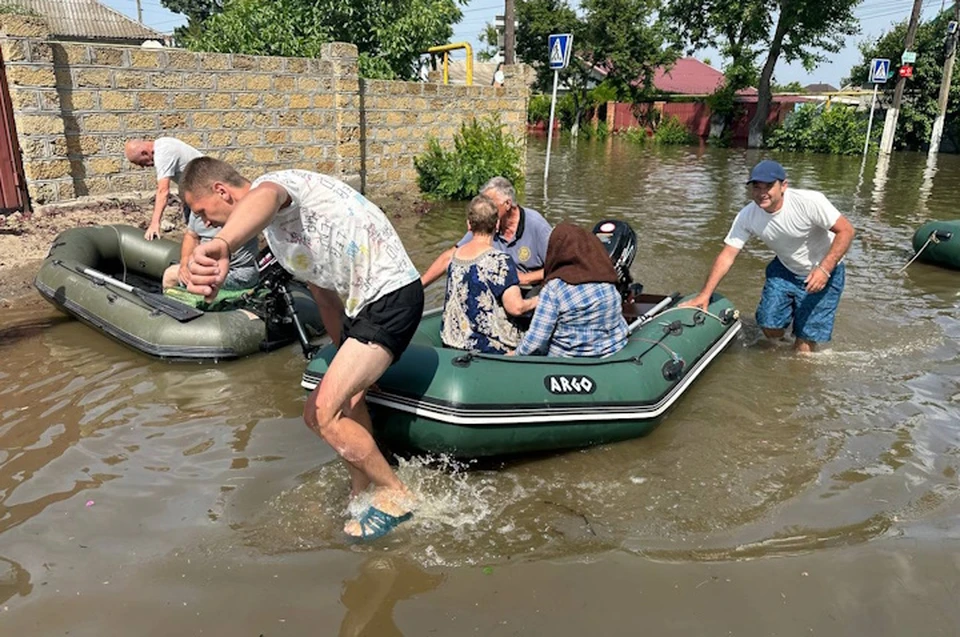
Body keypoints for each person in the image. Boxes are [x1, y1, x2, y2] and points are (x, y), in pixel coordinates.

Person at [180, 158, 423, 541]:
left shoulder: (276, 186)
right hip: (363, 308)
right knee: (346, 401)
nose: (203, 224)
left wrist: (224, 243)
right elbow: (325, 299)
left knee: (320, 414)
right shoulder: (278, 239)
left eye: (201, 212)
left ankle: (397, 492)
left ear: (222, 192)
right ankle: (363, 489)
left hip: (392, 295)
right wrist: (351, 359)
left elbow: (267, 196)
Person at [680, 160, 855, 353]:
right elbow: (727, 255)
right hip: (785, 269)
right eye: (757, 186)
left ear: (783, 186)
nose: (762, 192)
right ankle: (788, 328)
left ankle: (801, 338)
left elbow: (846, 231)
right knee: (769, 327)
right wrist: (705, 294)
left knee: (804, 348)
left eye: (769, 186)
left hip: (824, 270)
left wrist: (824, 269)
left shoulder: (809, 202)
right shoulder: (748, 215)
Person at [440, 195, 538, 354]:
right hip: (486, 347)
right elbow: (516, 308)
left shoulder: (455, 257)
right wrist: (541, 300)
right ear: (497, 224)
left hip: (453, 340)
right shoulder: (500, 261)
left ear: (469, 225)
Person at [514, 222, 628, 357]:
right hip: (610, 356)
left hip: (568, 363)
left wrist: (513, 355)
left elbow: (535, 342)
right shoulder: (608, 279)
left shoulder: (554, 289)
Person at [421, 176, 552, 288]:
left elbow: (560, 267)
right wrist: (420, 286)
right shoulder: (486, 222)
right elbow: (451, 256)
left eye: (491, 204)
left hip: (529, 288)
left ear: (507, 204)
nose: (486, 208)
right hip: (499, 287)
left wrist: (525, 278)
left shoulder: (537, 225)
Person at [160, 209, 259, 292]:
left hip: (236, 272)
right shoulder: (198, 207)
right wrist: (184, 264)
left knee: (171, 275)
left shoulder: (241, 211)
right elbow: (191, 236)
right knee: (179, 272)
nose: (207, 223)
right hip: (207, 266)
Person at [124, 137, 202, 240]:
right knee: (192, 231)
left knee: (201, 232)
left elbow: (163, 191)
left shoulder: (163, 154)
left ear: (144, 153)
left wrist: (154, 224)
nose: (143, 167)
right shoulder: (162, 142)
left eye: (140, 163)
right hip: (195, 192)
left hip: (207, 192)